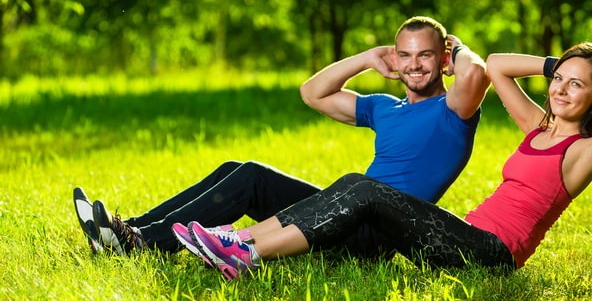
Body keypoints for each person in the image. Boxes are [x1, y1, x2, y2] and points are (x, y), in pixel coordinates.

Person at [179, 42, 592, 280]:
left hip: (491, 255)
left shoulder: (585, 152)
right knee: (354, 189)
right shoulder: (538, 127)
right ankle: (234, 242)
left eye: (577, 85)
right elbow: (496, 65)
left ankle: (247, 251)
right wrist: (557, 64)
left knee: (362, 188)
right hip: (460, 236)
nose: (560, 89)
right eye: (560, 80)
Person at [73, 16, 490, 261]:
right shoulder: (385, 107)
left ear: (442, 60)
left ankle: (140, 243)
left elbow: (477, 73)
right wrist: (366, 58)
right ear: (394, 59)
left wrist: (459, 48)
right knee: (243, 172)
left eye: (426, 55)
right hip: (342, 211)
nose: (414, 65)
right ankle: (128, 230)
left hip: (376, 235)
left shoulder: (454, 110)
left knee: (327, 183)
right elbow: (313, 92)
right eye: (405, 54)